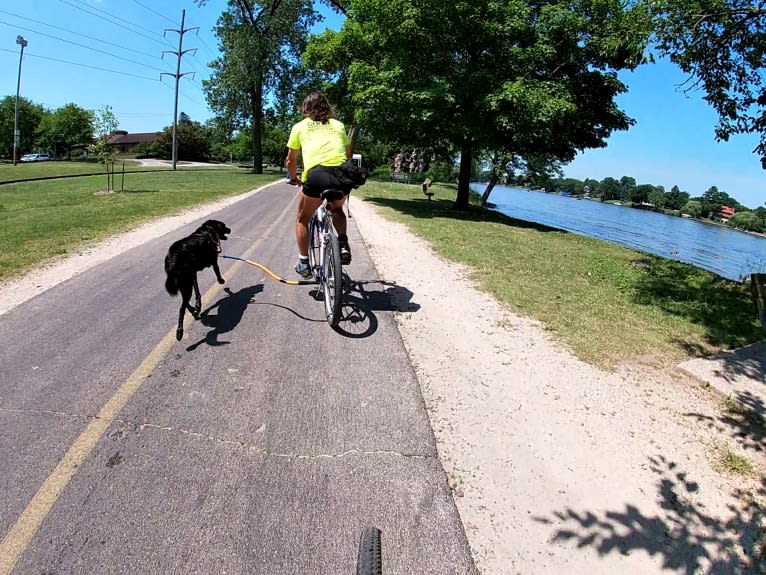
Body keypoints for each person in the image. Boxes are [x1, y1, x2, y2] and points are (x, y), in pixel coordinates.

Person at [285, 92, 354, 278]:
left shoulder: (299, 127)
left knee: (302, 218)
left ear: (305, 109)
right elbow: (348, 154)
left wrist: (293, 178)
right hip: (342, 175)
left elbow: (290, 161)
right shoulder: (338, 125)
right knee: (337, 210)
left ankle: (304, 262)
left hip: (316, 177)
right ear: (327, 107)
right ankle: (342, 243)